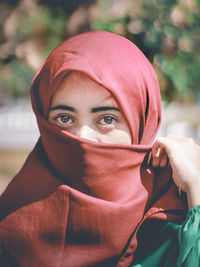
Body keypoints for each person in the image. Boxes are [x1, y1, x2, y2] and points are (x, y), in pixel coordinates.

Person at [0, 31, 199, 266]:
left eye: (106, 119)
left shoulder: (175, 222)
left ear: (142, 123)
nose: (83, 137)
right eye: (64, 118)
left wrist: (196, 186)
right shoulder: (11, 219)